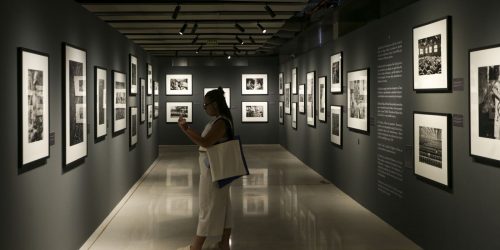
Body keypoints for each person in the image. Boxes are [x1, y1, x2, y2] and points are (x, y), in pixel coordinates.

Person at [177, 87, 234, 250]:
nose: (204, 108)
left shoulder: (221, 122)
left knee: (207, 207)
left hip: (213, 171)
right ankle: (224, 243)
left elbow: (205, 142)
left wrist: (186, 129)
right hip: (217, 169)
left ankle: (196, 247)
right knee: (224, 206)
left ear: (215, 104)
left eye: (205, 105)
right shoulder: (220, 120)